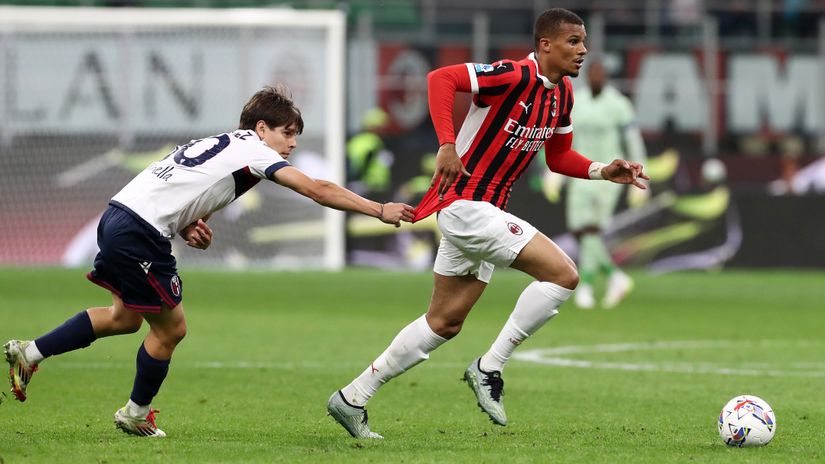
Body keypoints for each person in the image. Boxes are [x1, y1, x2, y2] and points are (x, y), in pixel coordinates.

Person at [4, 85, 414, 438]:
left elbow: (185, 186)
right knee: (171, 329)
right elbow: (318, 189)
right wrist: (379, 210)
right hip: (140, 233)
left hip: (119, 217)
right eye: (287, 134)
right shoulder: (255, 152)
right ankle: (134, 414)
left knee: (125, 319)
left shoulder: (223, 143)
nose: (292, 144)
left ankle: (32, 352)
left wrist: (188, 224)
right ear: (261, 129)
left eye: (296, 136)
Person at [327, 8, 648, 439]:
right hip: (466, 204)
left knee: (444, 323)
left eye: (584, 41)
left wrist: (602, 170)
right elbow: (441, 78)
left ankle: (352, 398)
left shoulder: (563, 95)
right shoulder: (512, 75)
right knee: (563, 274)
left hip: (481, 213)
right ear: (546, 45)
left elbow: (558, 156)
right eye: (573, 41)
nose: (583, 49)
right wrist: (446, 144)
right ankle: (489, 367)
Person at [565, 57, 648, 309]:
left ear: (607, 77)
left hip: (608, 175)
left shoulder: (619, 105)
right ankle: (614, 276)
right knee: (579, 230)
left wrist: (639, 170)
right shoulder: (575, 102)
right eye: (593, 73)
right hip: (580, 173)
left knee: (592, 229)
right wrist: (553, 174)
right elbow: (565, 140)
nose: (596, 77)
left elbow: (633, 140)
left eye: (601, 74)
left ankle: (586, 286)